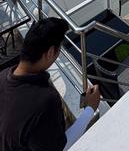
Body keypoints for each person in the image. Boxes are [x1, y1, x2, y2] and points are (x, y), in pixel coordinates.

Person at [0, 17, 100, 151]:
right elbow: (61, 147)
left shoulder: (3, 75)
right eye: (59, 50)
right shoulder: (45, 101)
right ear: (51, 52)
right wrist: (90, 109)